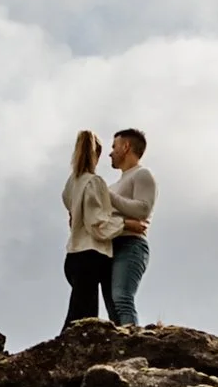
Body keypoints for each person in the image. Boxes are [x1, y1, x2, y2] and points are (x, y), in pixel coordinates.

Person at [62, 128, 120, 325]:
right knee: (82, 316)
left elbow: (72, 211)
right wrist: (124, 223)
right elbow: (96, 223)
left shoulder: (72, 183)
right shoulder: (94, 182)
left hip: (73, 253)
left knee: (83, 309)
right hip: (91, 253)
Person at [107, 127, 156, 326]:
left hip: (131, 245)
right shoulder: (114, 185)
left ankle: (133, 345)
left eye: (114, 146)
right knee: (112, 303)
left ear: (126, 147)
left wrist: (107, 196)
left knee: (122, 298)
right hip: (110, 244)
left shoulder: (142, 174)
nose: (110, 152)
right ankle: (120, 346)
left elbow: (142, 209)